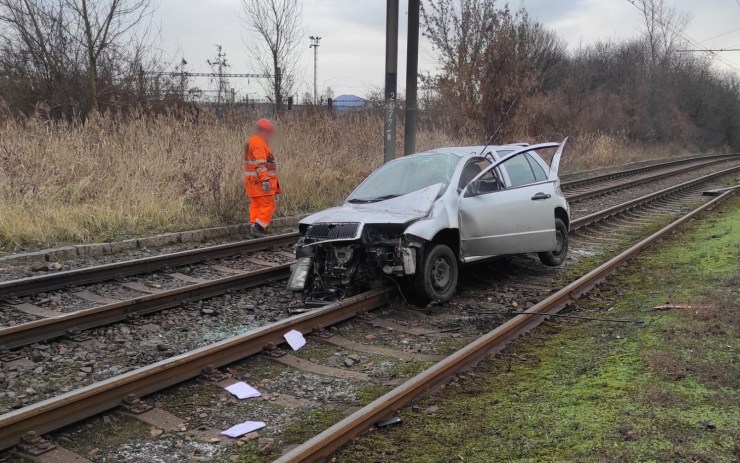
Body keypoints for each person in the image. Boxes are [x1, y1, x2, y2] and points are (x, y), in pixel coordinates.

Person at [244, 118, 280, 237]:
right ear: (264, 131)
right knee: (268, 204)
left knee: (256, 205)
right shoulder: (258, 143)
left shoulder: (253, 142)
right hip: (260, 183)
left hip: (253, 183)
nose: (270, 137)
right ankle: (258, 228)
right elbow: (260, 164)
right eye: (269, 133)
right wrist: (265, 180)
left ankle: (254, 227)